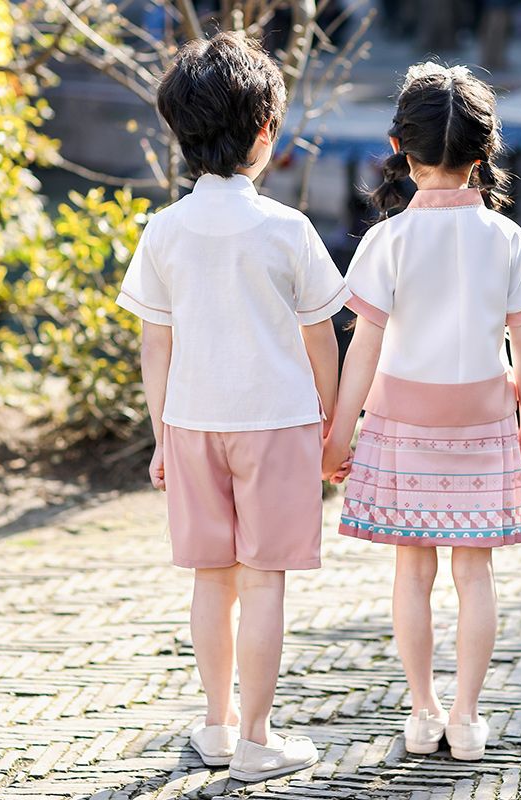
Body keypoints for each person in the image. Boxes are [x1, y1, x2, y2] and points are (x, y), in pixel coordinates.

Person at [116, 32, 350, 782]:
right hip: (278, 424)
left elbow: (157, 346)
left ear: (180, 134)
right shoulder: (288, 229)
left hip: (189, 421)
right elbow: (323, 338)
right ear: (265, 133)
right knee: (264, 579)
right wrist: (330, 423)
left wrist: (161, 436)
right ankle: (258, 739)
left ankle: (216, 728)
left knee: (209, 579)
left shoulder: (164, 230)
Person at [322, 62, 521, 761]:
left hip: (400, 426)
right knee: (475, 574)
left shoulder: (387, 242)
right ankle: (467, 716)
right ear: (484, 155)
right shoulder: (507, 240)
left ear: (399, 146)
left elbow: (361, 355)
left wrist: (337, 437)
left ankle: (421, 713)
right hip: (484, 423)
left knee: (412, 574)